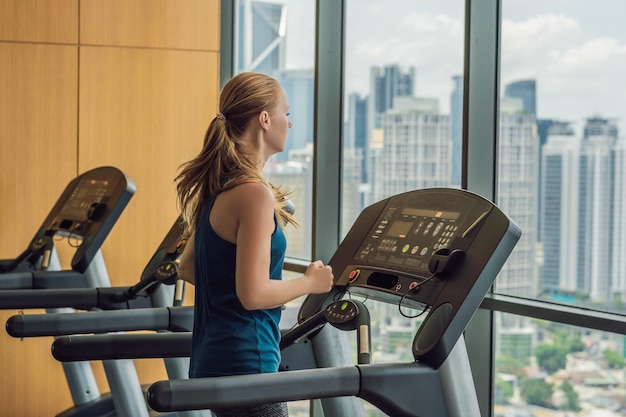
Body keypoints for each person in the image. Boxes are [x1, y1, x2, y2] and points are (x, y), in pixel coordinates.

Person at [175, 72, 334, 417]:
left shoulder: (219, 186)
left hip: (214, 358)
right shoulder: (254, 194)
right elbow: (253, 295)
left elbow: (187, 267)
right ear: (264, 119)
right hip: (248, 362)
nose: (289, 124)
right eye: (286, 114)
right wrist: (310, 283)